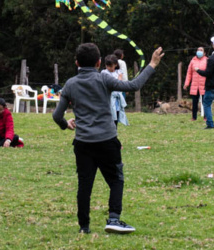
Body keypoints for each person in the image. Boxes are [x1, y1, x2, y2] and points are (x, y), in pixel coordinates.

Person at [53, 43, 164, 235]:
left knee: (85, 184)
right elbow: (134, 85)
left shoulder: (70, 84)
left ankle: (84, 226)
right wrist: (152, 64)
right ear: (98, 63)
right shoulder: (104, 78)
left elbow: (56, 116)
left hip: (83, 143)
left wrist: (65, 124)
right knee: (115, 179)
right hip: (107, 140)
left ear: (77, 63)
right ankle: (113, 218)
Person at [101, 55, 128, 127]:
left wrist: (119, 78)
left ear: (115, 64)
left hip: (116, 101)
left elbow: (118, 84)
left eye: (111, 66)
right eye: (108, 66)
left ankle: (114, 133)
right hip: (108, 99)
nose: (109, 68)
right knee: (108, 118)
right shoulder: (104, 73)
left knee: (115, 118)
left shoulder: (119, 72)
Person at [183, 47, 208, 121]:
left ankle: (206, 117)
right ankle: (194, 117)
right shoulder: (193, 61)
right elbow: (189, 73)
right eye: (198, 50)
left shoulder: (207, 60)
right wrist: (186, 83)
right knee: (194, 102)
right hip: (194, 85)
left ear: (204, 53)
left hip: (204, 85)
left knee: (205, 102)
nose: (199, 51)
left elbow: (209, 72)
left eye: (201, 50)